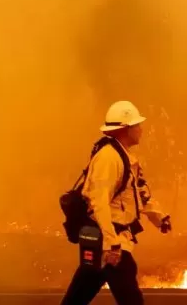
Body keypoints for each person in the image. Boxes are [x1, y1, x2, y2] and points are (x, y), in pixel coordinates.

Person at [61, 100, 171, 305]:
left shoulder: (124, 157)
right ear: (124, 129)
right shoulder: (108, 159)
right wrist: (111, 244)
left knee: (78, 296)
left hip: (102, 243)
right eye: (136, 125)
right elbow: (98, 201)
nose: (141, 129)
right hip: (109, 244)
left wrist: (159, 217)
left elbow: (137, 193)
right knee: (131, 298)